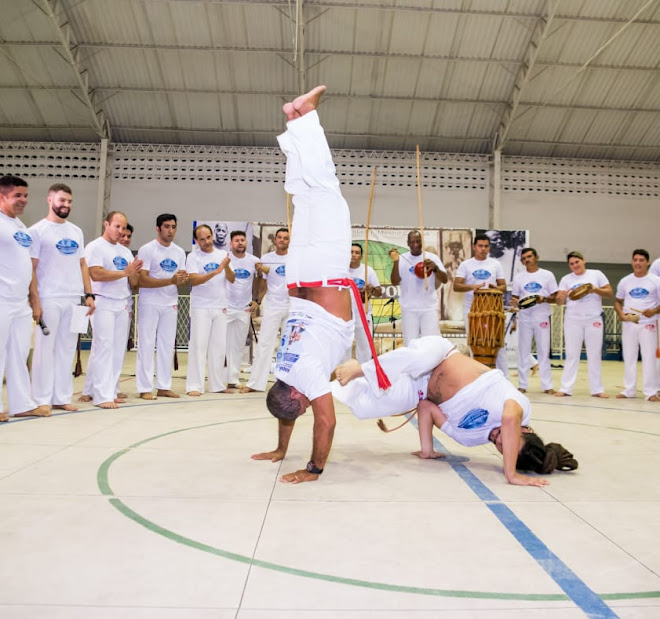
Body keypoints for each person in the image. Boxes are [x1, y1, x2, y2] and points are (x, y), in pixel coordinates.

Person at [253, 85, 389, 484]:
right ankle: (294, 122)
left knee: (326, 191)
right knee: (305, 198)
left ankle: (306, 117)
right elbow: (285, 408)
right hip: (299, 276)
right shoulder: (283, 371)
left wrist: (313, 468)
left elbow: (325, 423)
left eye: (304, 404)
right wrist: (280, 448)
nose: (310, 405)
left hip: (326, 274)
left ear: (297, 396)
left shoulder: (307, 378)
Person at [29, 183, 95, 412]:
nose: (65, 205)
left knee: (67, 349)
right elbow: (32, 269)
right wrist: (35, 300)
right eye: (61, 200)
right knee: (44, 351)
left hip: (73, 298)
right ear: (50, 200)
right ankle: (41, 399)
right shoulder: (36, 231)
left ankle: (61, 397)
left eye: (69, 201)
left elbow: (82, 264)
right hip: (49, 297)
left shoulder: (76, 231)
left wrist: (88, 294)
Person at [0, 174, 51, 422]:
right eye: (17, 195)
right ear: (2, 196)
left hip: (20, 303)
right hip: (0, 299)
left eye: (26, 196)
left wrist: (35, 299)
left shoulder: (21, 228)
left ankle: (21, 404)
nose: (23, 200)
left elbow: (28, 267)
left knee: (18, 354)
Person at [84, 211, 141, 408]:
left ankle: (111, 389)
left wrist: (134, 272)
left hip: (122, 303)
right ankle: (101, 395)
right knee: (103, 348)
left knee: (118, 351)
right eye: (116, 226)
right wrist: (124, 272)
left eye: (123, 228)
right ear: (106, 224)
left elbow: (133, 282)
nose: (120, 231)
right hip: (103, 302)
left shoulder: (125, 252)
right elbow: (95, 273)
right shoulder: (95, 247)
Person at [136, 214, 187, 400]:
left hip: (170, 303)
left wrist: (181, 280)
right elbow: (142, 280)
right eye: (166, 226)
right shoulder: (147, 249)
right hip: (150, 302)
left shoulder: (180, 252)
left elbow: (180, 279)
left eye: (173, 226)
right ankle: (145, 387)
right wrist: (170, 280)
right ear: (158, 228)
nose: (170, 230)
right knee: (146, 344)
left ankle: (164, 386)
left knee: (166, 345)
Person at [185, 224, 235, 396]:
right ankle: (194, 385)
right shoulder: (193, 257)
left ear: (212, 236)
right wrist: (215, 272)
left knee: (218, 347)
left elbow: (232, 279)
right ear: (196, 241)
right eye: (202, 239)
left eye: (208, 237)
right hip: (201, 307)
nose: (206, 242)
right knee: (198, 346)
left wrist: (226, 267)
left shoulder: (223, 255)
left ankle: (217, 385)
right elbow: (193, 280)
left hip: (220, 306)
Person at [555, 251, 612, 398]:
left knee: (594, 354)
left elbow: (609, 292)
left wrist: (594, 289)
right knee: (572, 354)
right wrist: (560, 297)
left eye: (577, 262)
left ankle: (597, 389)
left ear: (584, 260)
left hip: (593, 319)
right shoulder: (566, 279)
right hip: (573, 320)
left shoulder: (596, 274)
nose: (575, 265)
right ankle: (565, 388)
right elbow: (559, 302)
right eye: (572, 264)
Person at [240, 228, 290, 393]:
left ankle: (286, 384)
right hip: (273, 305)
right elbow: (263, 283)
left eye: (286, 238)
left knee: (288, 347)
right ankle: (255, 383)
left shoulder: (296, 258)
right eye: (280, 237)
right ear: (275, 240)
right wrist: (258, 300)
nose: (282, 240)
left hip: (292, 306)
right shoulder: (267, 259)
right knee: (265, 344)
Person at [453, 233, 508, 373]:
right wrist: (472, 287)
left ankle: (504, 379)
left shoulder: (495, 264)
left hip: (492, 309)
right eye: (480, 246)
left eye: (486, 246)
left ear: (489, 247)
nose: (483, 249)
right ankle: (477, 377)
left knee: (498, 344)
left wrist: (497, 288)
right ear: (474, 247)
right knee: (473, 343)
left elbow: (504, 286)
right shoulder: (466, 265)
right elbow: (456, 286)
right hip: (471, 309)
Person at [614, 249, 660, 401]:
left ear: (648, 263)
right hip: (629, 323)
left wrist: (653, 310)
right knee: (629, 356)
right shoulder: (625, 281)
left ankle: (651, 392)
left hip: (648, 324)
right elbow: (618, 301)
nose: (638, 263)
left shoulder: (656, 281)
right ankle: (629, 390)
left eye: (641, 260)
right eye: (635, 260)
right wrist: (620, 314)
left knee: (649, 358)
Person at [511, 247, 558, 394]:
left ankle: (547, 386)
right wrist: (514, 304)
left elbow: (555, 297)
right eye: (524, 258)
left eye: (529, 257)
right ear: (522, 261)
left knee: (543, 351)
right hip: (524, 318)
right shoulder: (519, 277)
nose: (527, 260)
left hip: (542, 317)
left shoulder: (547, 275)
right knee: (523, 351)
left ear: (537, 257)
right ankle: (522, 385)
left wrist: (543, 299)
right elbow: (515, 298)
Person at [389, 230, 447, 345]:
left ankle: (431, 363)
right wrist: (396, 262)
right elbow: (394, 281)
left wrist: (435, 268)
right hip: (409, 309)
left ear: (422, 242)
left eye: (418, 241)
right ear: (408, 243)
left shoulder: (432, 258)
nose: (415, 244)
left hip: (429, 308)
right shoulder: (401, 259)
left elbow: (445, 279)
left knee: (430, 343)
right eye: (412, 242)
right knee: (410, 343)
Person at [225, 230, 260, 387]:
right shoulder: (224, 259)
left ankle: (233, 379)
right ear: (231, 243)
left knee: (238, 345)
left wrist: (256, 300)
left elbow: (261, 280)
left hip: (244, 309)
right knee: (221, 344)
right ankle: (219, 378)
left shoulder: (254, 261)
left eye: (242, 240)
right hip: (225, 308)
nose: (240, 242)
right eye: (236, 240)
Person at [348, 242, 382, 362]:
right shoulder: (341, 271)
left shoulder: (368, 270)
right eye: (351, 252)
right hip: (345, 315)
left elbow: (379, 291)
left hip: (363, 314)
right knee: (344, 348)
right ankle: (343, 376)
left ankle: (363, 377)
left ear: (361, 256)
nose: (354, 255)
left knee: (365, 349)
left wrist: (371, 289)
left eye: (357, 253)